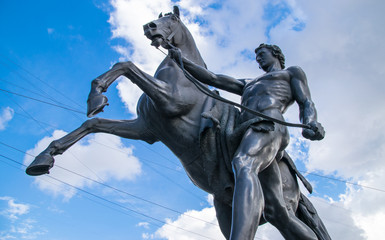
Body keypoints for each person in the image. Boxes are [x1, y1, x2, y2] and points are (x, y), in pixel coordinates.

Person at [169, 44, 325, 240]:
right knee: (277, 213)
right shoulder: (248, 84)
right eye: (256, 57)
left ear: (276, 54)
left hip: (269, 123)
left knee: (243, 162)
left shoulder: (291, 73)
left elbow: (306, 102)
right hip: (248, 130)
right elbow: (213, 78)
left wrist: (310, 122)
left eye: (261, 54)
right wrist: (182, 61)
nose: (258, 59)